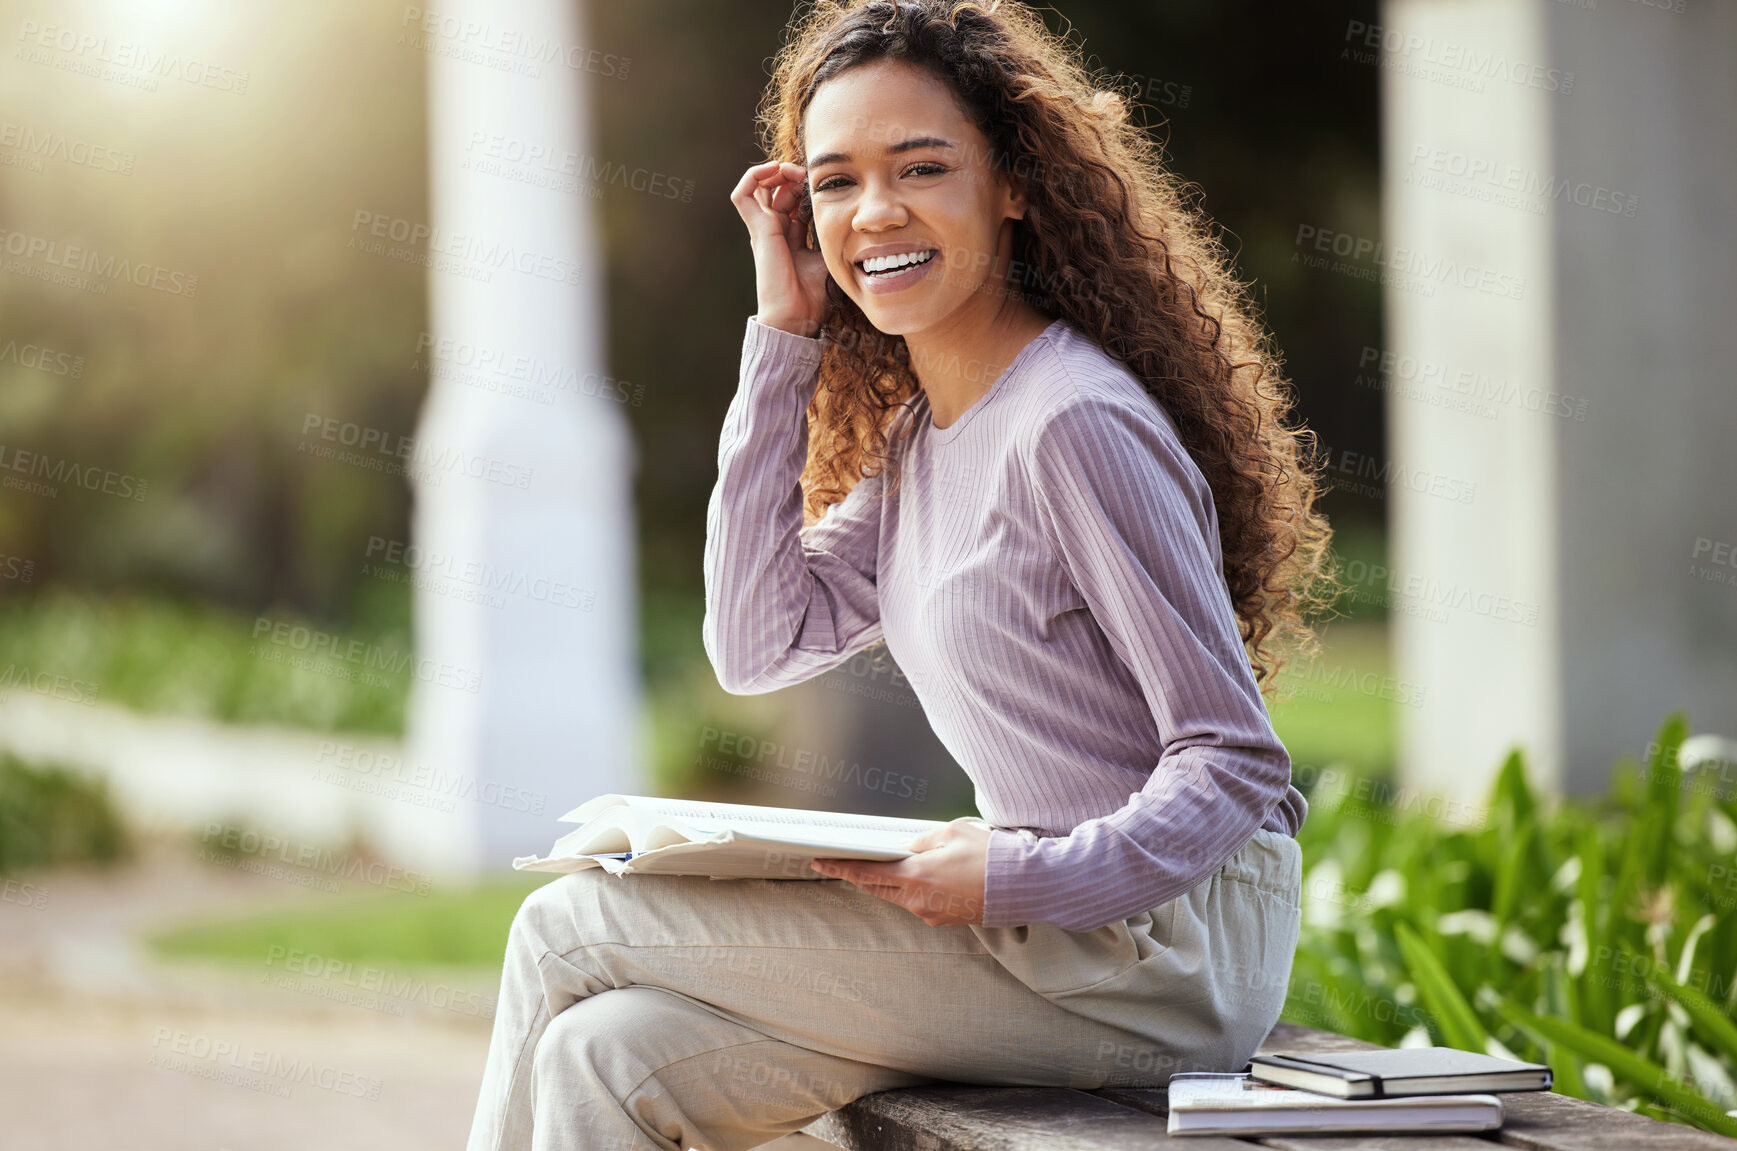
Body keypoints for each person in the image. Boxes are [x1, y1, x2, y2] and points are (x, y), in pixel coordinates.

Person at [465, 2, 1336, 1148]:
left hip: (1160, 956)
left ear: (1013, 184)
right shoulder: (927, 438)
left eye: (920, 167)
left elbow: (1234, 761)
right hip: (1049, 937)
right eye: (835, 183)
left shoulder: (1070, 423)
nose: (875, 212)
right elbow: (756, 641)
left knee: (565, 925)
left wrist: (1019, 877)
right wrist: (783, 339)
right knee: (607, 1054)